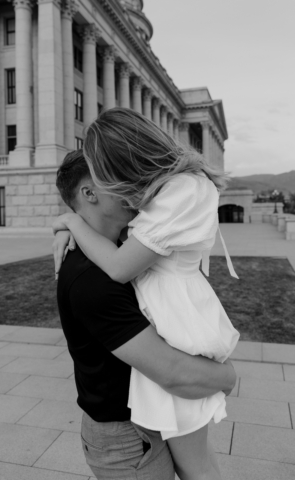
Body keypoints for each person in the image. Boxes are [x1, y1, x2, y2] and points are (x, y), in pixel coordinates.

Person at [54, 148, 237, 480]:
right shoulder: (90, 278)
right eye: (113, 177)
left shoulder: (124, 245)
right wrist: (227, 378)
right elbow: (171, 372)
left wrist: (68, 223)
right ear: (89, 193)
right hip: (126, 438)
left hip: (149, 414)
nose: (129, 184)